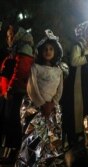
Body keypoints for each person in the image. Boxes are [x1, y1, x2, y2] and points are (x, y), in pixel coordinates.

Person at [15, 29, 64, 166]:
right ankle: (31, 162)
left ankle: (48, 162)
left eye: (51, 49)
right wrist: (42, 104)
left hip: (52, 109)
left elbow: (59, 90)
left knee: (51, 139)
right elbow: (32, 87)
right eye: (45, 49)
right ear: (41, 52)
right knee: (34, 138)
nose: (48, 51)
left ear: (55, 52)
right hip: (36, 108)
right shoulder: (36, 68)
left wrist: (53, 103)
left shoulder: (58, 71)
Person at [0, 27, 34, 164]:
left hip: (17, 93)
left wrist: (10, 88)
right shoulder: (15, 49)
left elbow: (21, 70)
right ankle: (9, 153)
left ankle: (13, 155)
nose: (8, 39)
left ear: (16, 35)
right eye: (7, 36)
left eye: (10, 35)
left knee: (14, 123)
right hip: (10, 93)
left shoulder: (24, 48)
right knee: (9, 123)